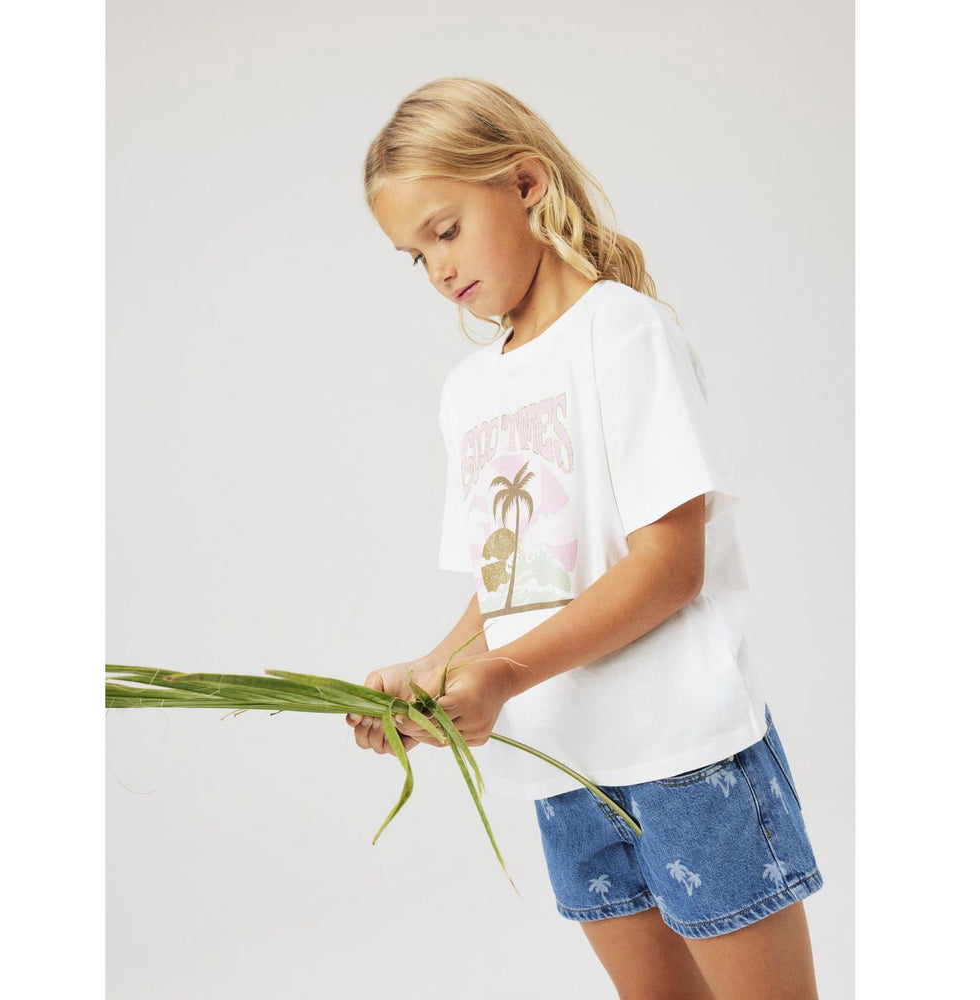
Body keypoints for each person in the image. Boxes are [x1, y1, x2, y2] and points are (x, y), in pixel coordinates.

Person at [345, 76, 823, 1000]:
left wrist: (504, 675)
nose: (438, 269)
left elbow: (670, 567)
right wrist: (437, 671)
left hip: (688, 757)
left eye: (446, 230)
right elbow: (516, 585)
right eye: (416, 255)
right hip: (563, 766)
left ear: (525, 183)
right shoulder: (469, 392)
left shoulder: (623, 333)